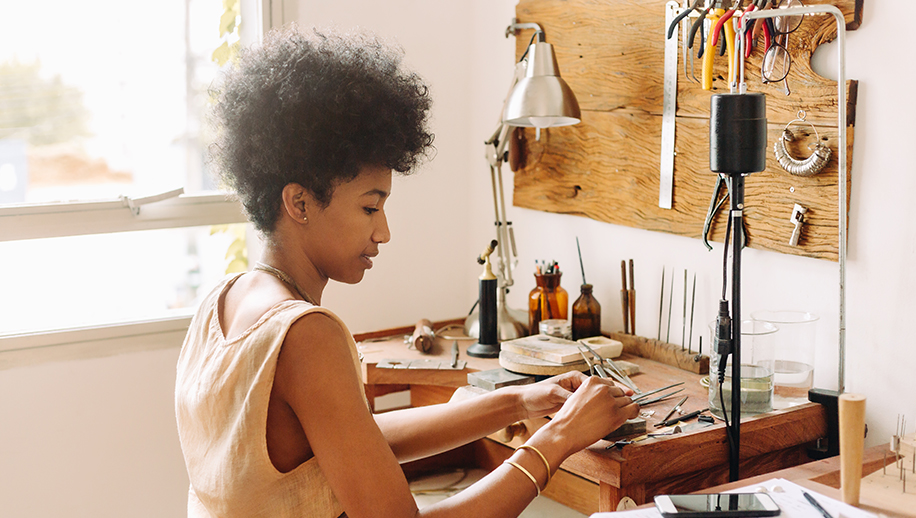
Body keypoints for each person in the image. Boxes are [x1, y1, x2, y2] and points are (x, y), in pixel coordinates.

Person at [175, 26, 639, 518]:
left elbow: (353, 439)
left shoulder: (223, 301)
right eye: (370, 208)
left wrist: (519, 402)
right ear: (300, 202)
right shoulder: (306, 335)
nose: (384, 233)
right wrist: (559, 439)